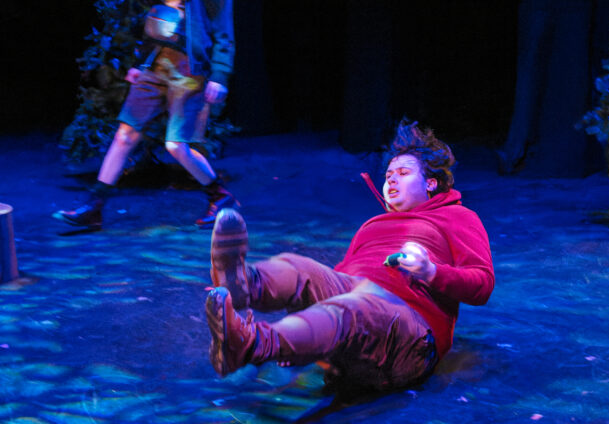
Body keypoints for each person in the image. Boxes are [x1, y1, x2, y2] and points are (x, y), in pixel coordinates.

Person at [205, 121, 494, 390]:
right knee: (302, 269)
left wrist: (431, 271)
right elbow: (335, 282)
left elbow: (481, 285)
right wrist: (301, 343)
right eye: (389, 175)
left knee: (353, 308)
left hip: (410, 338)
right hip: (356, 321)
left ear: (431, 183)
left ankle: (251, 345)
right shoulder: (372, 225)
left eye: (403, 173)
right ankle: (242, 284)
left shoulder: (456, 216)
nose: (392, 180)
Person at [54, 0, 237, 231]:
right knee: (126, 133)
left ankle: (219, 196)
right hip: (158, 64)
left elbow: (224, 30)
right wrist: (141, 61)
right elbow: (157, 22)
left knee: (176, 145)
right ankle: (94, 206)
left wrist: (220, 75)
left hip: (190, 71)